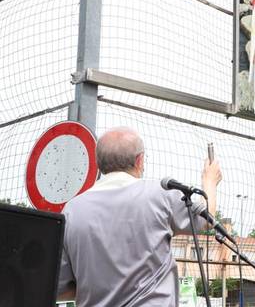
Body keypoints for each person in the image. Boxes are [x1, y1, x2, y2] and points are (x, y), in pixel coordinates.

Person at [56, 127, 222, 306]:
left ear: (98, 163)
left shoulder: (72, 210)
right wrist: (209, 181)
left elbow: (61, 288)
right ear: (139, 160)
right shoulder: (160, 195)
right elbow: (205, 219)